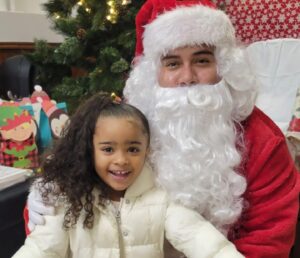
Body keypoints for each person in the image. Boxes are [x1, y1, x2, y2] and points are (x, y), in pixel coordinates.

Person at [26, 0, 300, 257]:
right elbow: (66, 179)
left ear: (225, 65)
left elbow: (268, 240)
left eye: (202, 60)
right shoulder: (120, 124)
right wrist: (43, 201)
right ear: (152, 72)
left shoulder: (263, 139)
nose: (187, 78)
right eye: (172, 63)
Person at [14, 93, 244, 258]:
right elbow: (41, 249)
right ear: (89, 149)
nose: (121, 160)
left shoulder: (162, 196)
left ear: (147, 150)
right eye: (108, 149)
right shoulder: (67, 197)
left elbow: (202, 240)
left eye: (133, 149)